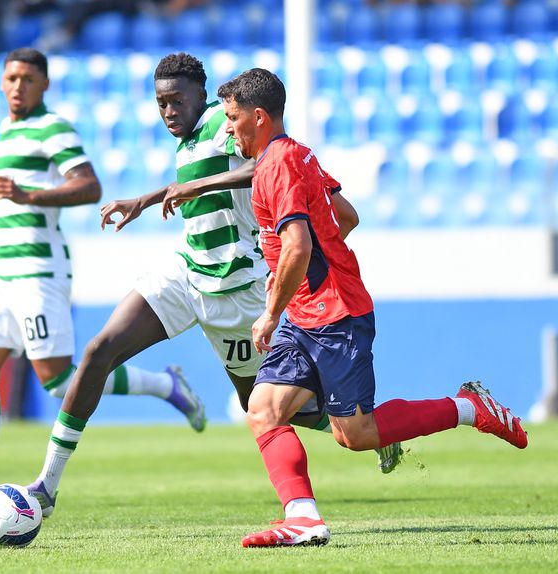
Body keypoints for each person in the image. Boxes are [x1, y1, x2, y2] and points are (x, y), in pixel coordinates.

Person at [24, 53, 401, 519]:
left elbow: (264, 166)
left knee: (265, 408)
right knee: (101, 349)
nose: (168, 112)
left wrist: (194, 190)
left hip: (240, 290)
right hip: (186, 274)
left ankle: (373, 430)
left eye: (177, 101)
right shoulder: (190, 139)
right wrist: (148, 198)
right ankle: (47, 484)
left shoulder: (224, 125)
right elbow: (197, 177)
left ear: (202, 97)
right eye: (161, 103)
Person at [211, 68, 528, 547]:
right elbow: (345, 216)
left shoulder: (275, 166)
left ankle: (468, 407)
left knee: (356, 434)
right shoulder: (299, 154)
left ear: (258, 116)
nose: (228, 128)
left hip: (336, 313)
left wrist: (275, 305)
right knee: (264, 409)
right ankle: (303, 518)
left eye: (233, 118)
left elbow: (297, 244)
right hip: (307, 312)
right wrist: (305, 273)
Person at [0, 47, 205, 510]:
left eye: (28, 79)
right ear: (1, 83)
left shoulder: (54, 128)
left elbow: (88, 186)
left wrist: (29, 193)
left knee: (57, 383)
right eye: (11, 78)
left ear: (44, 85)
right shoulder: (6, 131)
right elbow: (11, 190)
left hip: (37, 268)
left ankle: (164, 385)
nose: (18, 86)